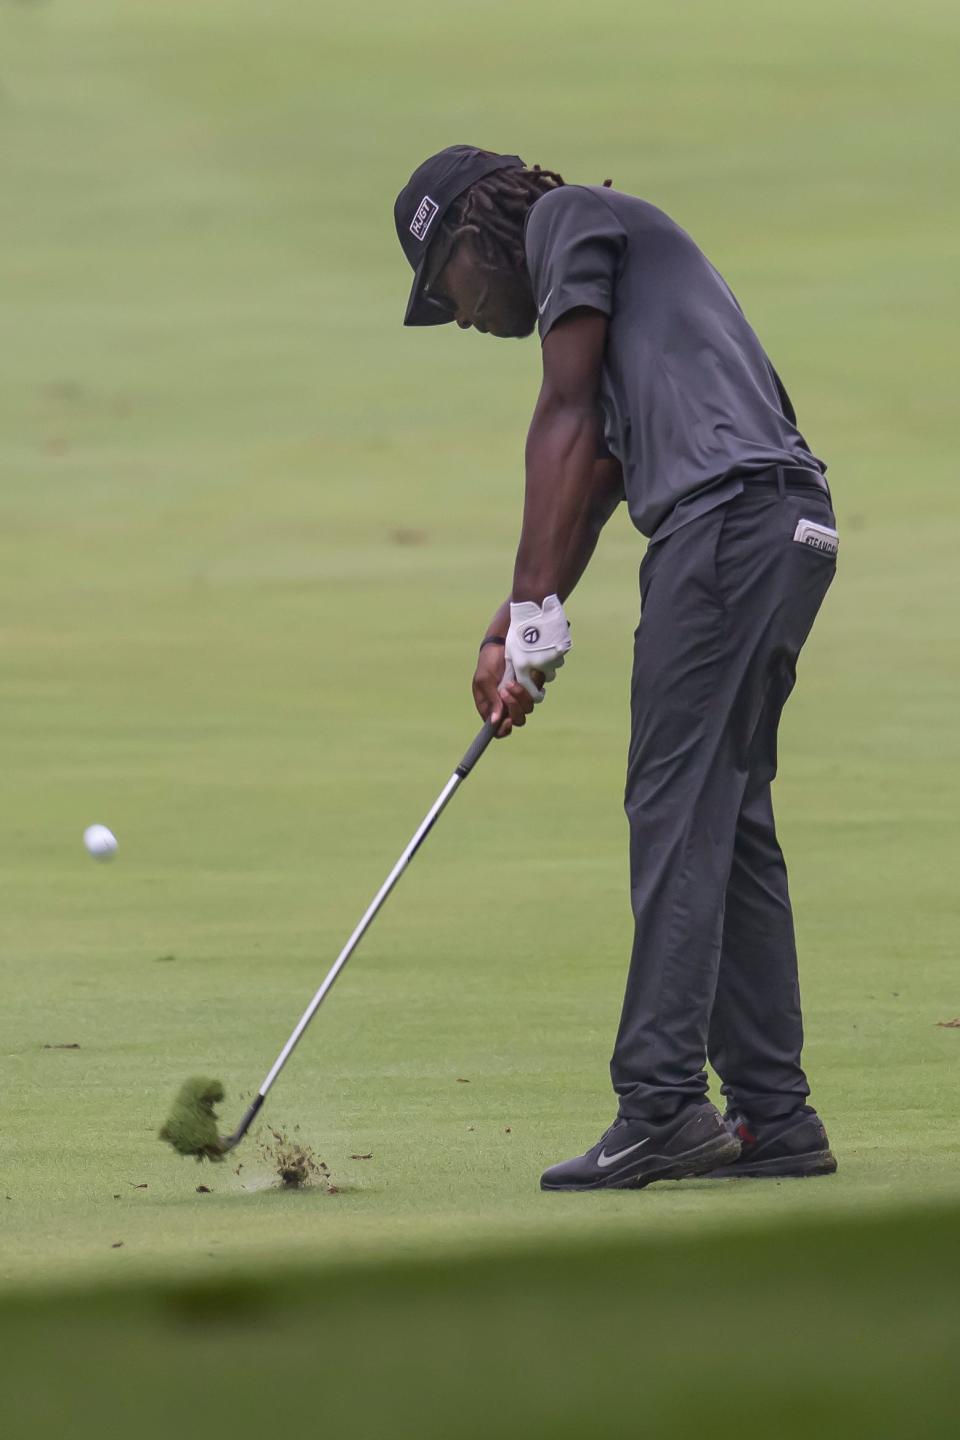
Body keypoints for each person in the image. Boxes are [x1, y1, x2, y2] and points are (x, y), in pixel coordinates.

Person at [394, 146, 839, 1192]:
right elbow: (594, 479)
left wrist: (532, 611)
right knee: (727, 824)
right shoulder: (633, 291)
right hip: (786, 526)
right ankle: (774, 1115)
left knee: (673, 810)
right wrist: (520, 619)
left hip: (727, 529)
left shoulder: (569, 221)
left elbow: (565, 415)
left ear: (471, 237)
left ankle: (660, 1105)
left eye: (443, 290)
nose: (459, 316)